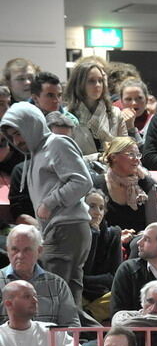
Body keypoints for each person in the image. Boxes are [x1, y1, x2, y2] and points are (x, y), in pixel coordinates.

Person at [1, 102, 93, 305]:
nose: (17, 140)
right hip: (61, 229)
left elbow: (82, 181)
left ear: (31, 124)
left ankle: (83, 336)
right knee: (67, 298)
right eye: (12, 136)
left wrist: (50, 203)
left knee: (53, 297)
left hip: (65, 229)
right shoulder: (35, 154)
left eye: (19, 132)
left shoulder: (56, 143)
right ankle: (82, 337)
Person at [0, 224, 79, 327]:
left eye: (27, 250)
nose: (20, 256)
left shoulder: (57, 284)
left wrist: (47, 341)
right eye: (15, 249)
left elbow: (72, 325)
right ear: (7, 250)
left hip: (51, 342)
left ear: (39, 251)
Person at [64, 57, 128, 158]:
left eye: (100, 80)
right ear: (79, 84)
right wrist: (96, 158)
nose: (97, 85)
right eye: (91, 81)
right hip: (81, 172)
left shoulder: (115, 113)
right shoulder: (66, 117)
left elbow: (126, 150)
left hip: (111, 172)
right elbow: (66, 158)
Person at [82, 189, 122, 322]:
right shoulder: (72, 233)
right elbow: (79, 273)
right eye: (92, 206)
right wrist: (93, 234)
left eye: (101, 208)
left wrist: (85, 279)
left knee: (120, 294)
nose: (97, 212)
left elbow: (114, 276)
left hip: (103, 293)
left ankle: (87, 316)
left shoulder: (114, 234)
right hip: (80, 290)